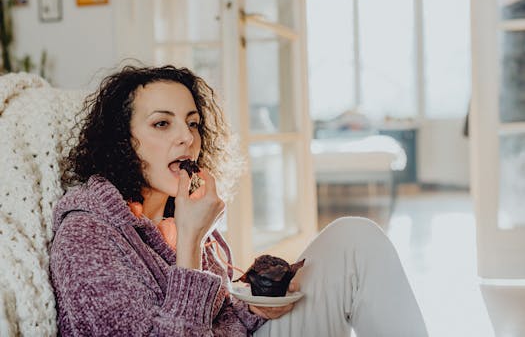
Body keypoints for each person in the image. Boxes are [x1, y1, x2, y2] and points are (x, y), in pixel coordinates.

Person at [50, 65, 428, 336]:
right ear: (121, 141)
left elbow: (222, 316)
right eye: (162, 123)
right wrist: (193, 241)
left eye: (193, 123)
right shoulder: (86, 237)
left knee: (354, 240)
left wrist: (253, 307)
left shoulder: (177, 211)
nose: (187, 138)